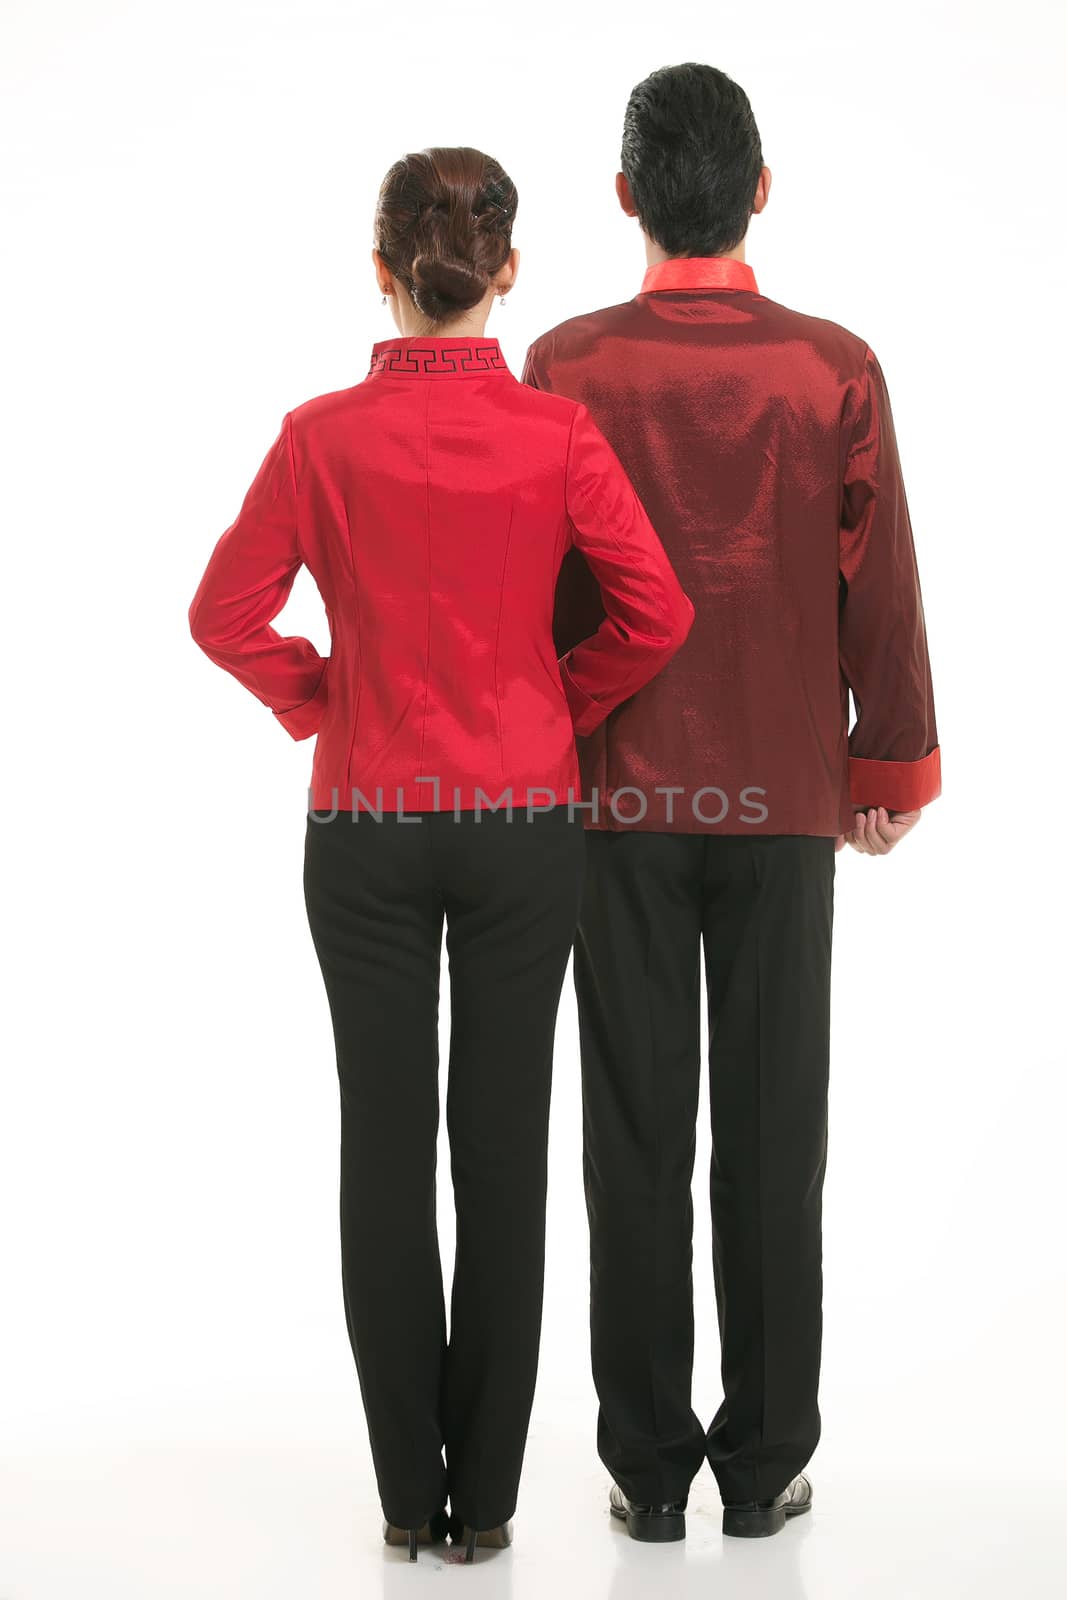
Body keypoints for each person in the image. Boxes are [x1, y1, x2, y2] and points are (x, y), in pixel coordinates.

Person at [187, 146, 693, 1563]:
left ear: (382, 274)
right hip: (526, 825)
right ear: (509, 274)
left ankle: (409, 1496)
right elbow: (654, 613)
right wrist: (554, 701)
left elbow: (224, 614)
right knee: (504, 1155)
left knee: (383, 1153)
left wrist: (325, 698)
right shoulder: (557, 435)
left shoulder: (317, 436)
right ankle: (488, 1514)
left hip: (361, 827)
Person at [523, 64, 941, 1543]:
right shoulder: (835, 366)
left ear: (627, 193)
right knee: (776, 1133)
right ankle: (763, 1468)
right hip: (781, 797)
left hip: (615, 801)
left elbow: (536, 594)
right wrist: (888, 762)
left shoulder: (564, 367)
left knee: (633, 1133)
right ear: (760, 187)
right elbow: (877, 580)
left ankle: (644, 1471)